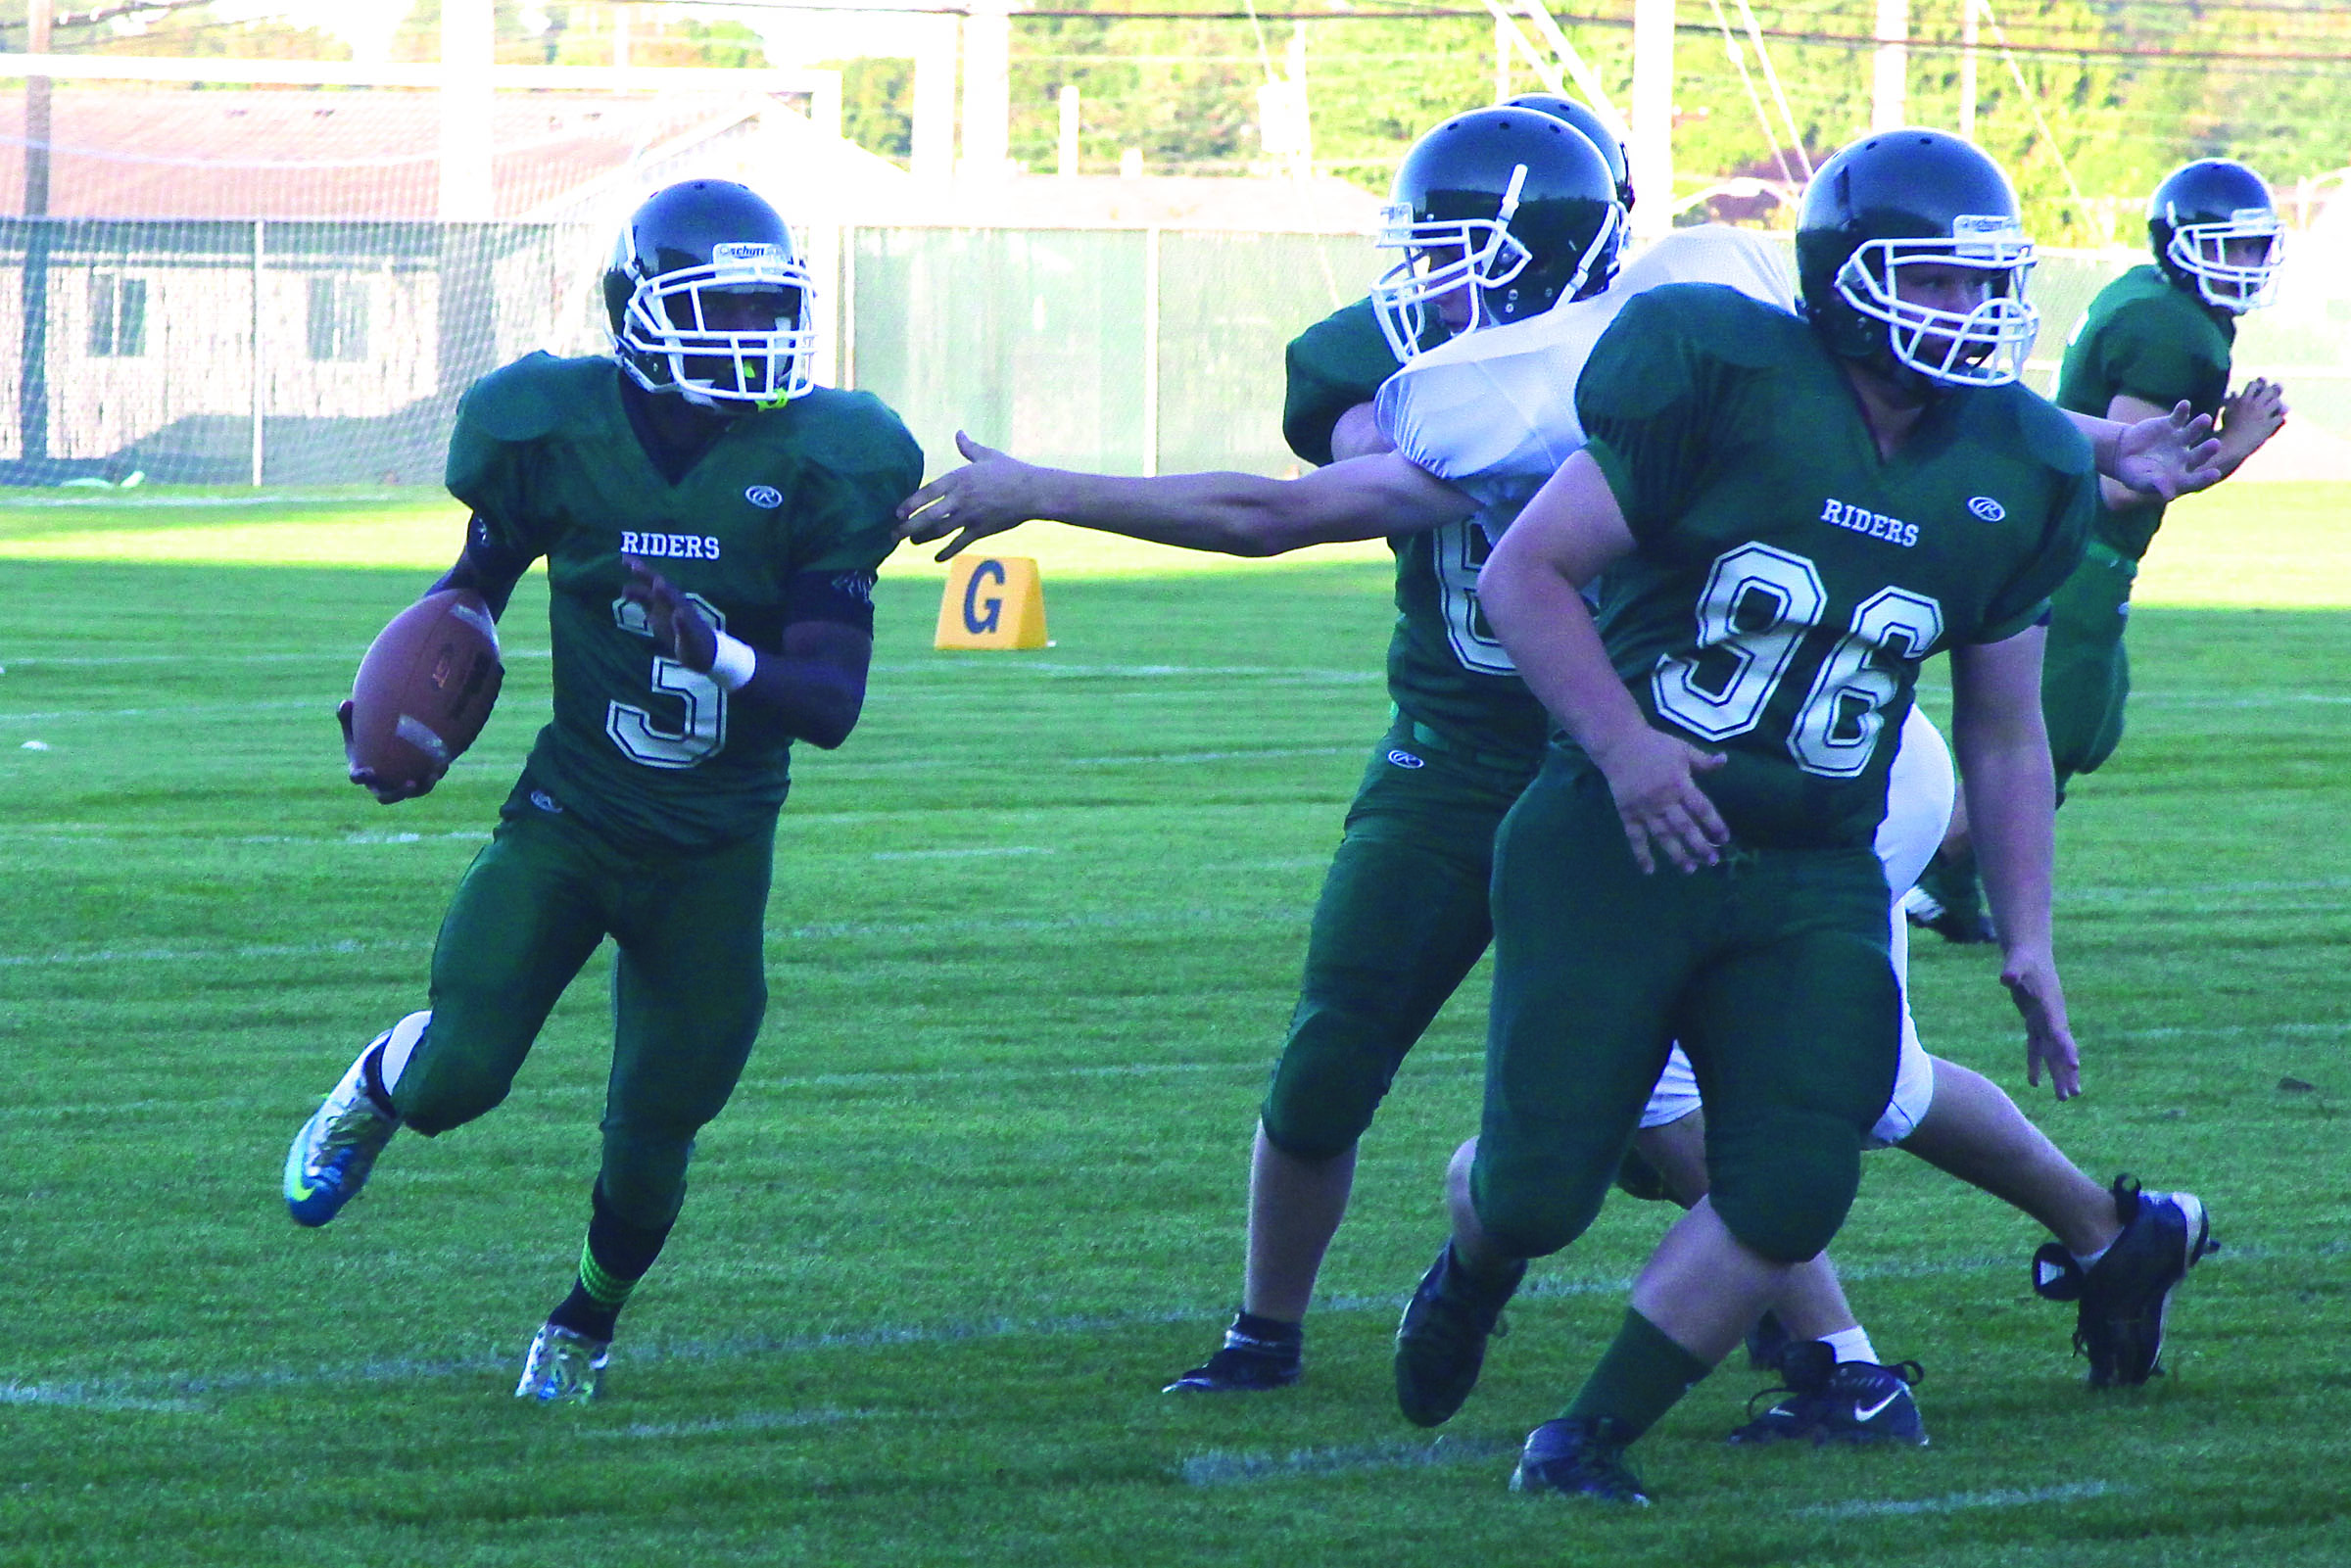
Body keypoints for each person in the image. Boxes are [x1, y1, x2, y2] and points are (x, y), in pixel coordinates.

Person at [897, 113, 2220, 1437]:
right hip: (1504, 755)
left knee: (1805, 1091)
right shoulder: (1482, 362)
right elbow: (1316, 467)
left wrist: (2100, 449)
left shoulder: (1708, 327)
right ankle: (1309, 1323)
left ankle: (1848, 1352)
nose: (1428, 280)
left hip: (1776, 748)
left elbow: (1928, 388)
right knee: (1520, 1095)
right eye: (1423, 250)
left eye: (1462, 251)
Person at [1392, 127, 2205, 1502]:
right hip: (1616, 836)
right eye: (1937, 283)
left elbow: (2007, 732)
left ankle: (1585, 1439)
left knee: (1792, 1178)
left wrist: (2028, 934)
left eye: (1983, 283)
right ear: (1846, 278)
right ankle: (1475, 1268)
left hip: (1814, 863)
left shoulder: (2017, 462)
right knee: (1539, 1192)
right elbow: (1530, 573)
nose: (1971, 312)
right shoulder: (1720, 372)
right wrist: (1628, 747)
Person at [280, 179, 922, 1403]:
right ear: (641, 309)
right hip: (570, 821)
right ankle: (372, 1088)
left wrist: (715, 651)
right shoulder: (550, 427)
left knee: (651, 1141)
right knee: (458, 1075)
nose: (750, 330)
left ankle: (581, 1322)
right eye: (720, 303)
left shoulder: (826, 456)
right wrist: (415, 694)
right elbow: (479, 574)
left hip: (716, 852)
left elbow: (830, 702)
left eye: (766, 305)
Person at [1910, 157, 2288, 943]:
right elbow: (2130, 480)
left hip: (2064, 531)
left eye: (2255, 249)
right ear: (2180, 243)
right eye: (2230, 247)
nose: (2244, 267)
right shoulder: (2173, 327)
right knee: (2052, 737)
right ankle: (1923, 871)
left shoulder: (2149, 297)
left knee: (2089, 719)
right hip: (2080, 543)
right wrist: (2239, 446)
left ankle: (1942, 877)